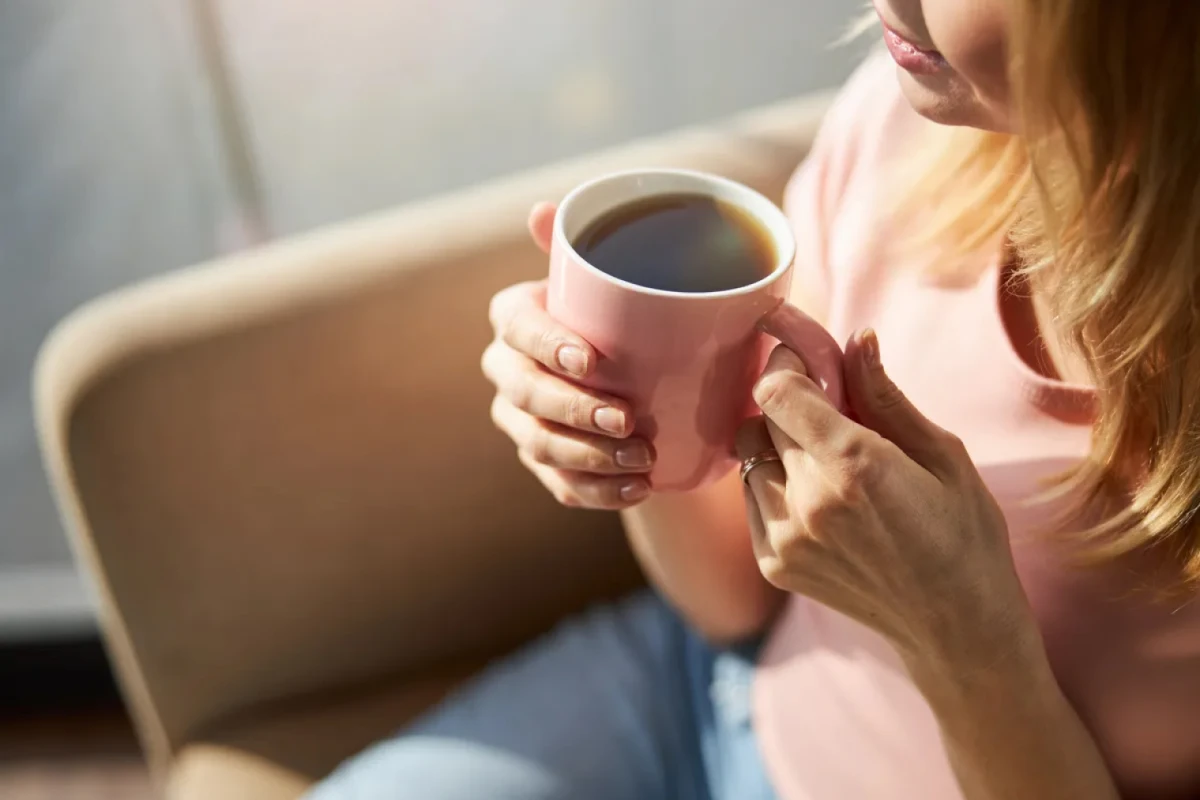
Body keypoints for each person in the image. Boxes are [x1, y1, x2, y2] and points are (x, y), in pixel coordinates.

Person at [307, 1, 1200, 797]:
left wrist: (960, 634)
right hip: (706, 693)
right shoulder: (904, 118)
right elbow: (731, 601)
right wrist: (619, 411)